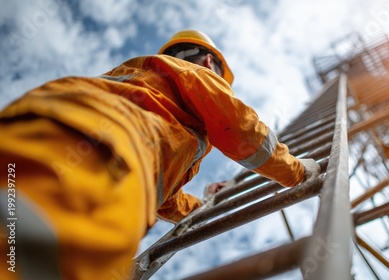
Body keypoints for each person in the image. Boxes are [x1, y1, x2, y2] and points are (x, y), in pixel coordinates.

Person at [0, 29, 320, 279]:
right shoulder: (193, 76)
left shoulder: (151, 88)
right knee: (32, 259)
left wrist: (205, 201)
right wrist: (296, 171)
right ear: (210, 62)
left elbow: (166, 200)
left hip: (34, 124)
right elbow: (241, 130)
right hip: (103, 154)